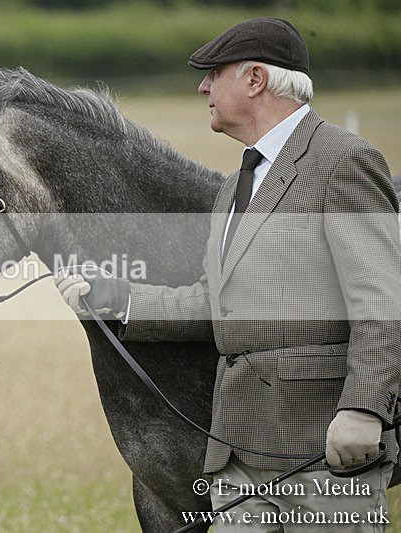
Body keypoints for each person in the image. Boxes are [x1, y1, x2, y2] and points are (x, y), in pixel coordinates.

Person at [56, 18, 401, 530]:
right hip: (237, 453)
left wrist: (365, 409)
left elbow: (382, 296)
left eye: (214, 74)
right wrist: (121, 299)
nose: (203, 87)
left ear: (256, 80)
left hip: (321, 448)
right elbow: (216, 299)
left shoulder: (343, 161)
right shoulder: (236, 184)